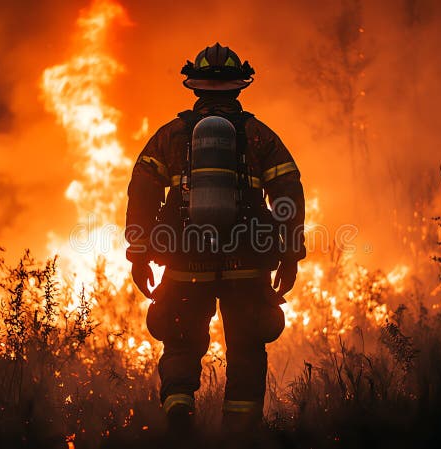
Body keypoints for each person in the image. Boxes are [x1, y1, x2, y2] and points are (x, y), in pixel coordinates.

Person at [124, 43, 306, 433]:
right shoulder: (260, 136)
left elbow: (141, 194)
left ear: (195, 87)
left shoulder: (170, 137)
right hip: (247, 263)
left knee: (180, 343)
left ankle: (180, 413)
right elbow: (289, 193)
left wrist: (138, 254)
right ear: (240, 87)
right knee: (246, 349)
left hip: (187, 264)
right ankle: (239, 437)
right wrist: (290, 254)